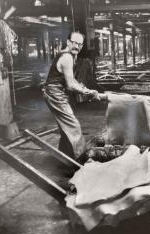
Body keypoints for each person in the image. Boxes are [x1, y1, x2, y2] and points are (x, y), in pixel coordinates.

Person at [43, 31, 100, 161]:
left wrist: (86, 89)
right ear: (68, 42)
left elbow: (72, 80)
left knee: (66, 128)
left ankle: (64, 160)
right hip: (55, 93)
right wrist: (88, 92)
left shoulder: (71, 55)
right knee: (73, 127)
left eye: (80, 44)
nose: (77, 46)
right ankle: (81, 160)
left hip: (56, 92)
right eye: (74, 43)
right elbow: (70, 85)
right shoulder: (67, 57)